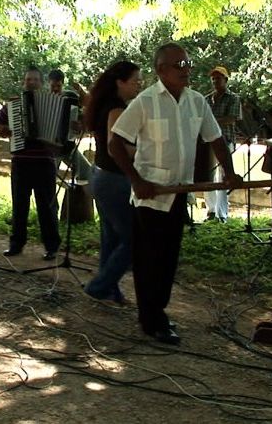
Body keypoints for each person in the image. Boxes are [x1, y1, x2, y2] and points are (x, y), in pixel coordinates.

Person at [109, 43, 241, 345]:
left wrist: (230, 172)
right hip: (150, 194)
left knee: (168, 258)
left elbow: (216, 139)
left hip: (180, 192)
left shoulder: (197, 102)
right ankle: (151, 318)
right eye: (178, 65)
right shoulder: (145, 102)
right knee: (148, 259)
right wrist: (136, 180)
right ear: (160, 70)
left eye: (188, 64)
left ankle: (157, 311)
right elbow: (115, 144)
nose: (186, 70)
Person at [82, 61, 142, 305]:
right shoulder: (117, 109)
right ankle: (99, 287)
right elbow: (115, 145)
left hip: (103, 178)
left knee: (111, 240)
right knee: (135, 240)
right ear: (120, 82)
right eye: (135, 80)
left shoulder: (106, 105)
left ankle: (109, 291)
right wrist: (144, 149)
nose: (139, 85)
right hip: (114, 181)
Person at [0, 66, 61, 260]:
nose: (31, 82)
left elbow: (62, 131)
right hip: (21, 161)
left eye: (34, 80)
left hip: (45, 162)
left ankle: (51, 246)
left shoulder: (53, 102)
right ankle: (16, 244)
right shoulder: (12, 105)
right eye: (28, 80)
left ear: (41, 83)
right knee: (19, 205)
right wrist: (4, 129)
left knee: (47, 206)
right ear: (24, 82)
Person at [204, 66, 241, 222]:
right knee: (208, 176)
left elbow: (231, 119)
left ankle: (222, 214)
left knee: (224, 176)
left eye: (218, 78)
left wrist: (209, 122)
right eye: (213, 79)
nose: (215, 81)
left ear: (226, 80)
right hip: (207, 142)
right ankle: (211, 211)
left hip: (226, 141)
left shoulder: (233, 98)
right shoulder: (206, 99)